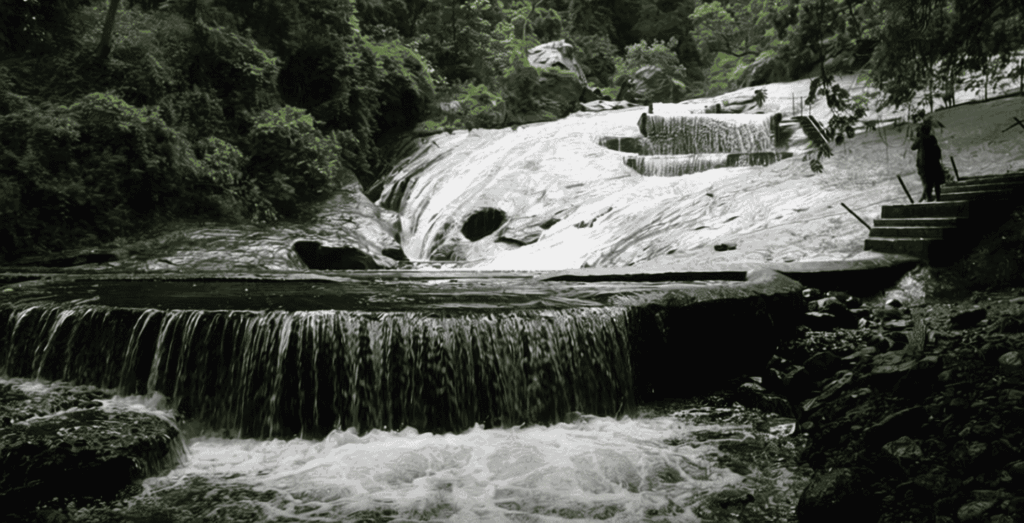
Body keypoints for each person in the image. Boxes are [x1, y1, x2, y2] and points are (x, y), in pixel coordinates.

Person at [911, 119, 944, 202]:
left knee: (927, 182)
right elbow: (937, 149)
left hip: (923, 164)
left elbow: (913, 147)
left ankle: (928, 198)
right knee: (936, 181)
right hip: (934, 163)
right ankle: (938, 198)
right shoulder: (932, 138)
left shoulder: (920, 139)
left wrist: (917, 137)